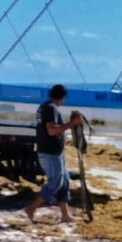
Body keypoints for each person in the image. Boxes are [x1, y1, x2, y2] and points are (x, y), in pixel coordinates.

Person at [24, 84, 83, 223]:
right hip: (50, 152)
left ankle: (65, 215)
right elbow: (51, 131)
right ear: (63, 97)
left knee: (64, 182)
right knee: (55, 183)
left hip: (54, 152)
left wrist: (70, 123)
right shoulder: (51, 108)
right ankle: (31, 208)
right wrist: (72, 123)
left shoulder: (44, 106)